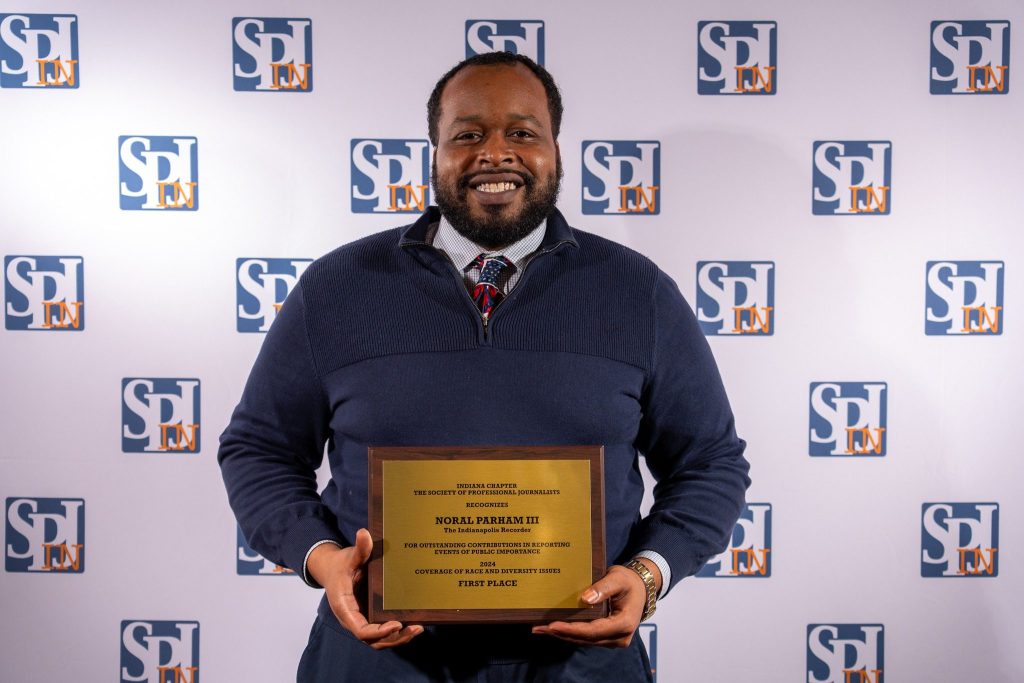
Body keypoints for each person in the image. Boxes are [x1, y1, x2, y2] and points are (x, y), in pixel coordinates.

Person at [218, 51, 749, 682]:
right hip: (380, 660)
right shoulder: (336, 289)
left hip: (581, 662)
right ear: (435, 154)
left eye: (522, 133)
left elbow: (710, 463)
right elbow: (259, 449)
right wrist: (320, 556)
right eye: (467, 134)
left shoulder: (638, 293)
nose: (495, 153)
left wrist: (650, 571)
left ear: (556, 149)